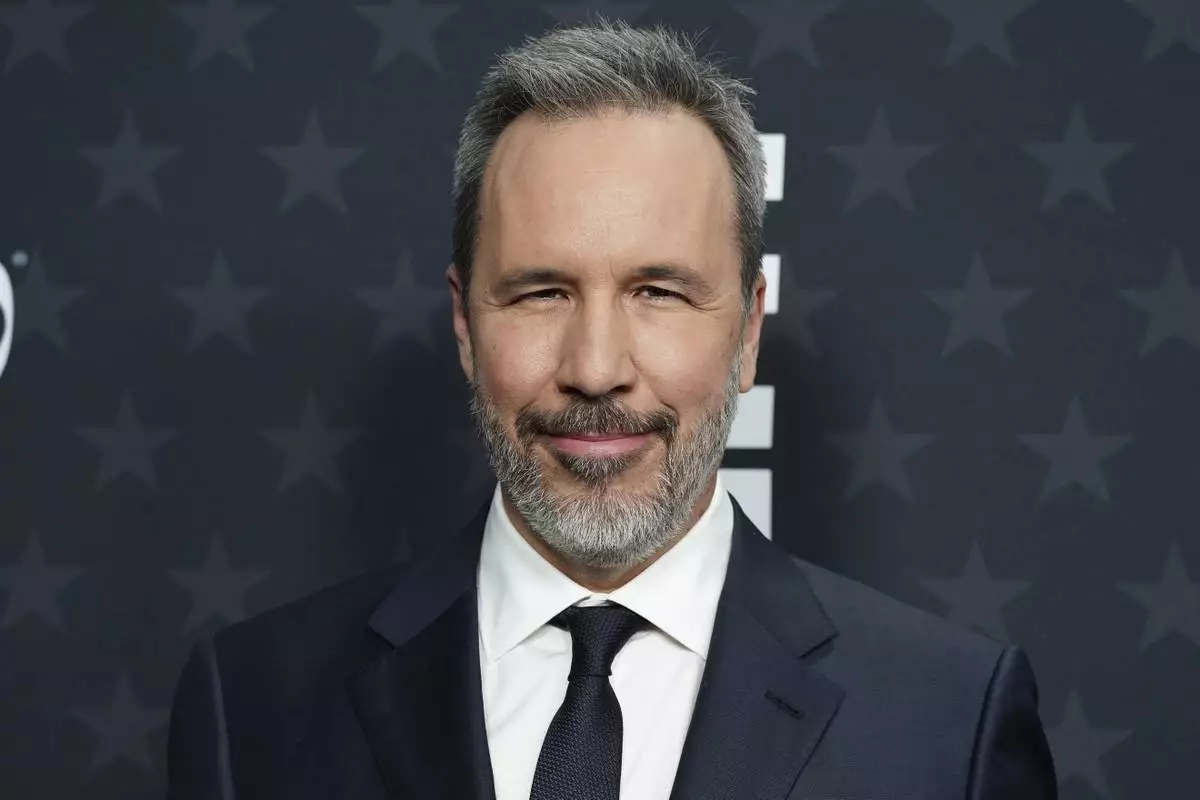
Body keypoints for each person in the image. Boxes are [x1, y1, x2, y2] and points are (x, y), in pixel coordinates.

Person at [166, 17, 1057, 800]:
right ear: (465, 326)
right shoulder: (252, 709)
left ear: (748, 332)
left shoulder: (949, 726)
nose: (595, 370)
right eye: (541, 293)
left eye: (658, 292)